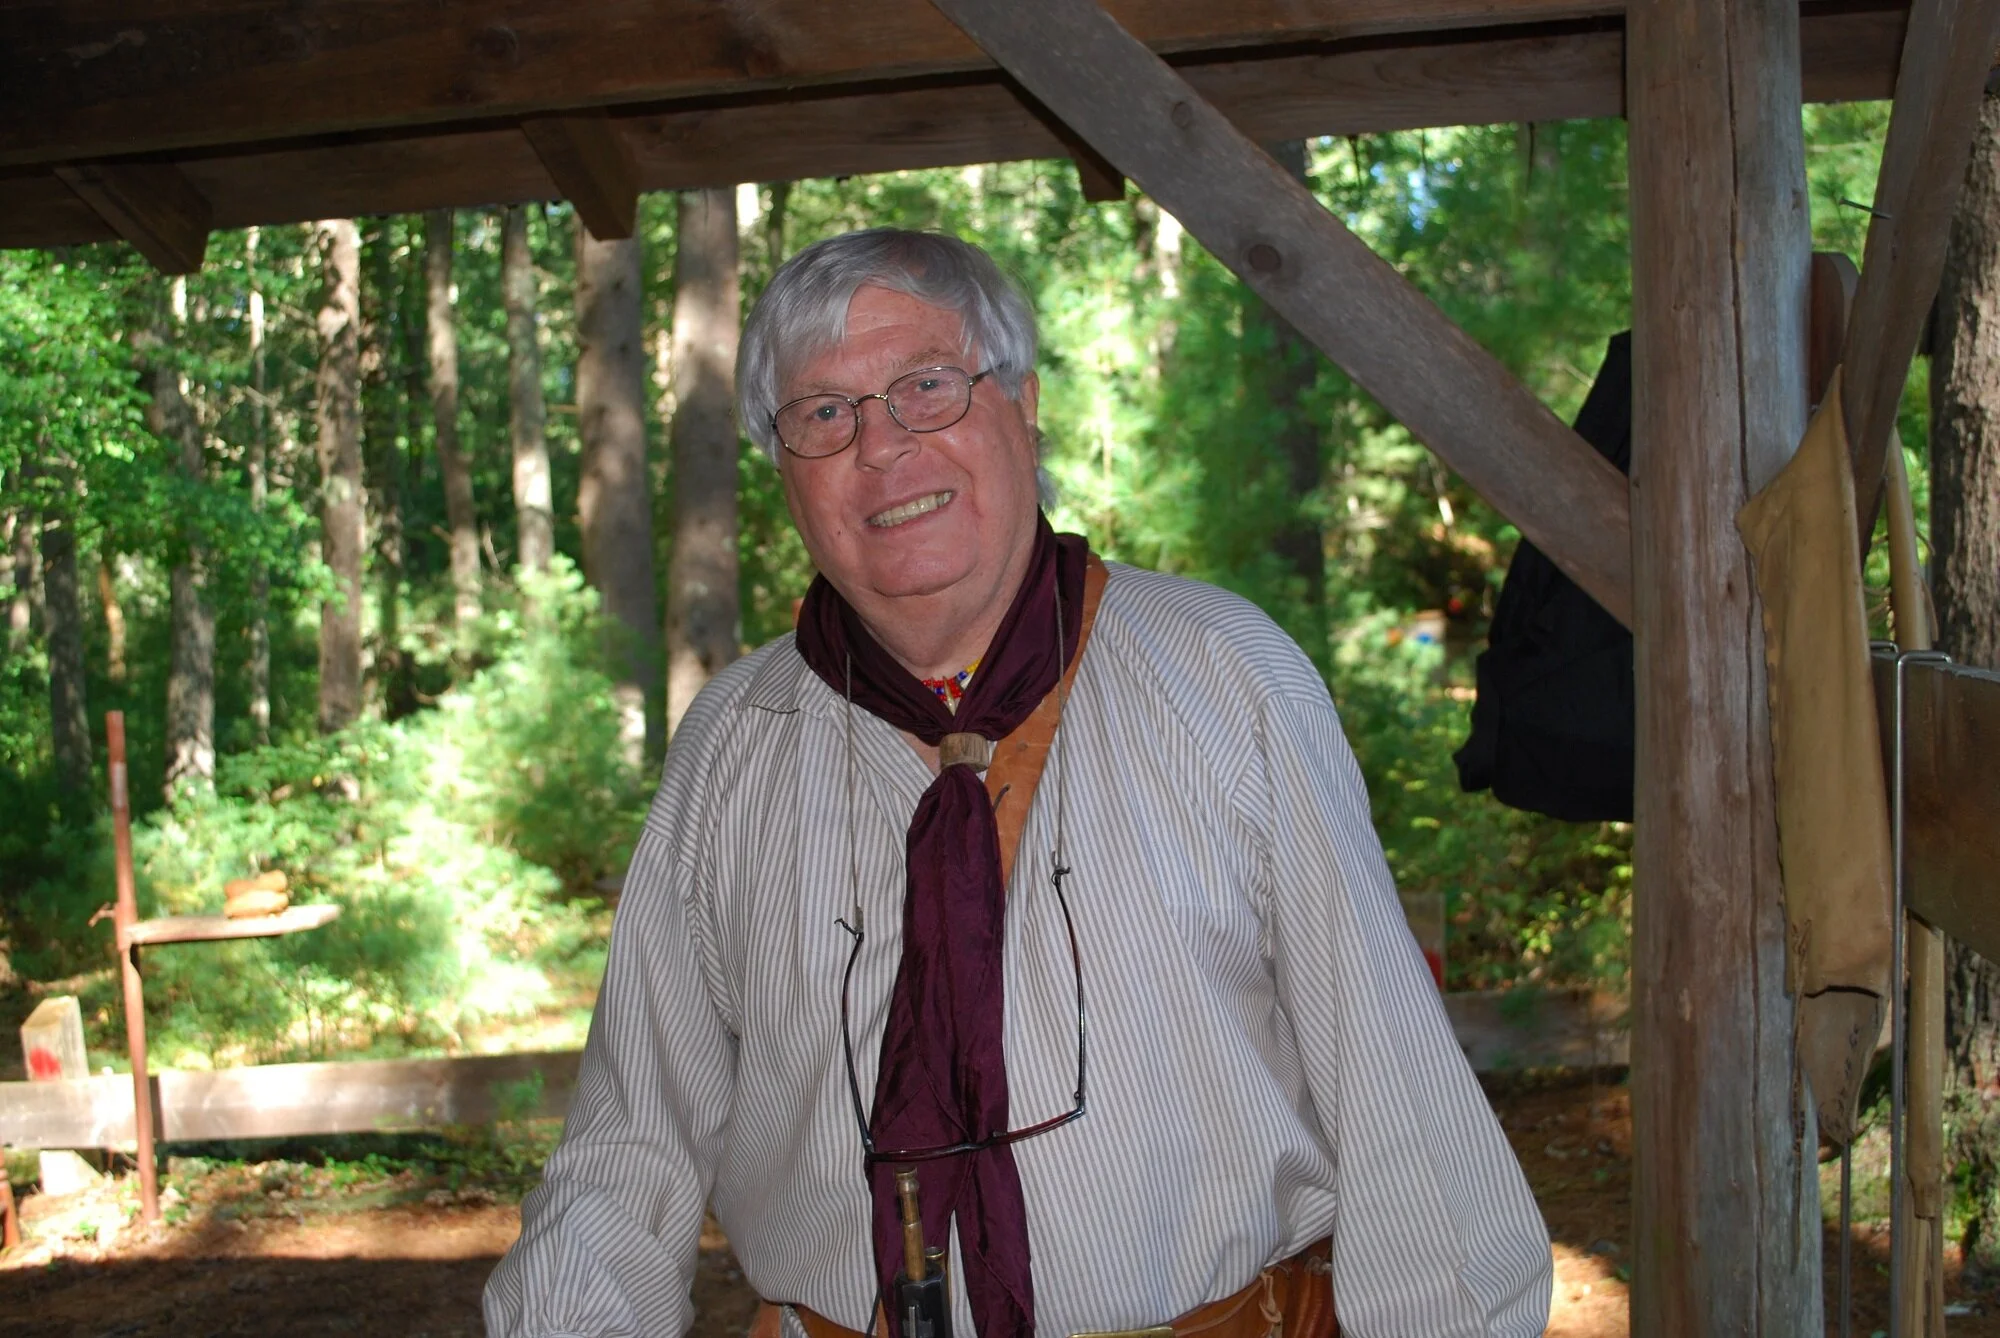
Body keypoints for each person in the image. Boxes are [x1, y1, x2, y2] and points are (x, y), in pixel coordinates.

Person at [484, 228, 1551, 1338]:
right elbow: (632, 1140)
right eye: (824, 413)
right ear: (784, 469)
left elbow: (1394, 1094)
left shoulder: (1222, 675)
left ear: (1024, 404)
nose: (881, 447)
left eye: (926, 387)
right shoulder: (734, 743)